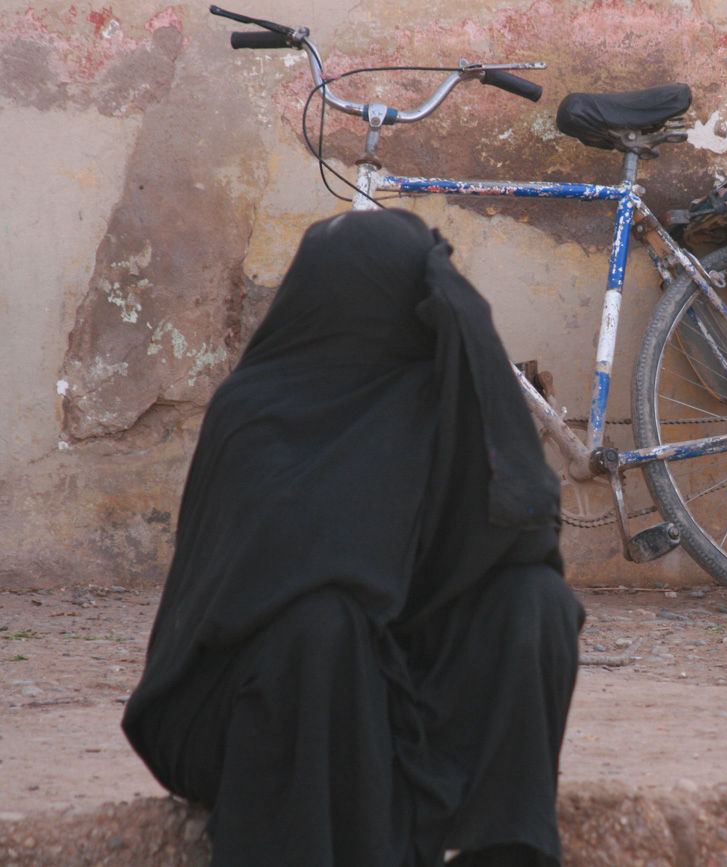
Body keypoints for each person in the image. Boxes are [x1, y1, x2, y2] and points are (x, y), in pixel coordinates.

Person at [122, 209, 584, 866]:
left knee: (535, 601)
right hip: (246, 703)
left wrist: (478, 397)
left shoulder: (429, 400)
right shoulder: (252, 411)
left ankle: (503, 846)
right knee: (323, 622)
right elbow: (273, 583)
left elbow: (519, 539)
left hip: (381, 692)